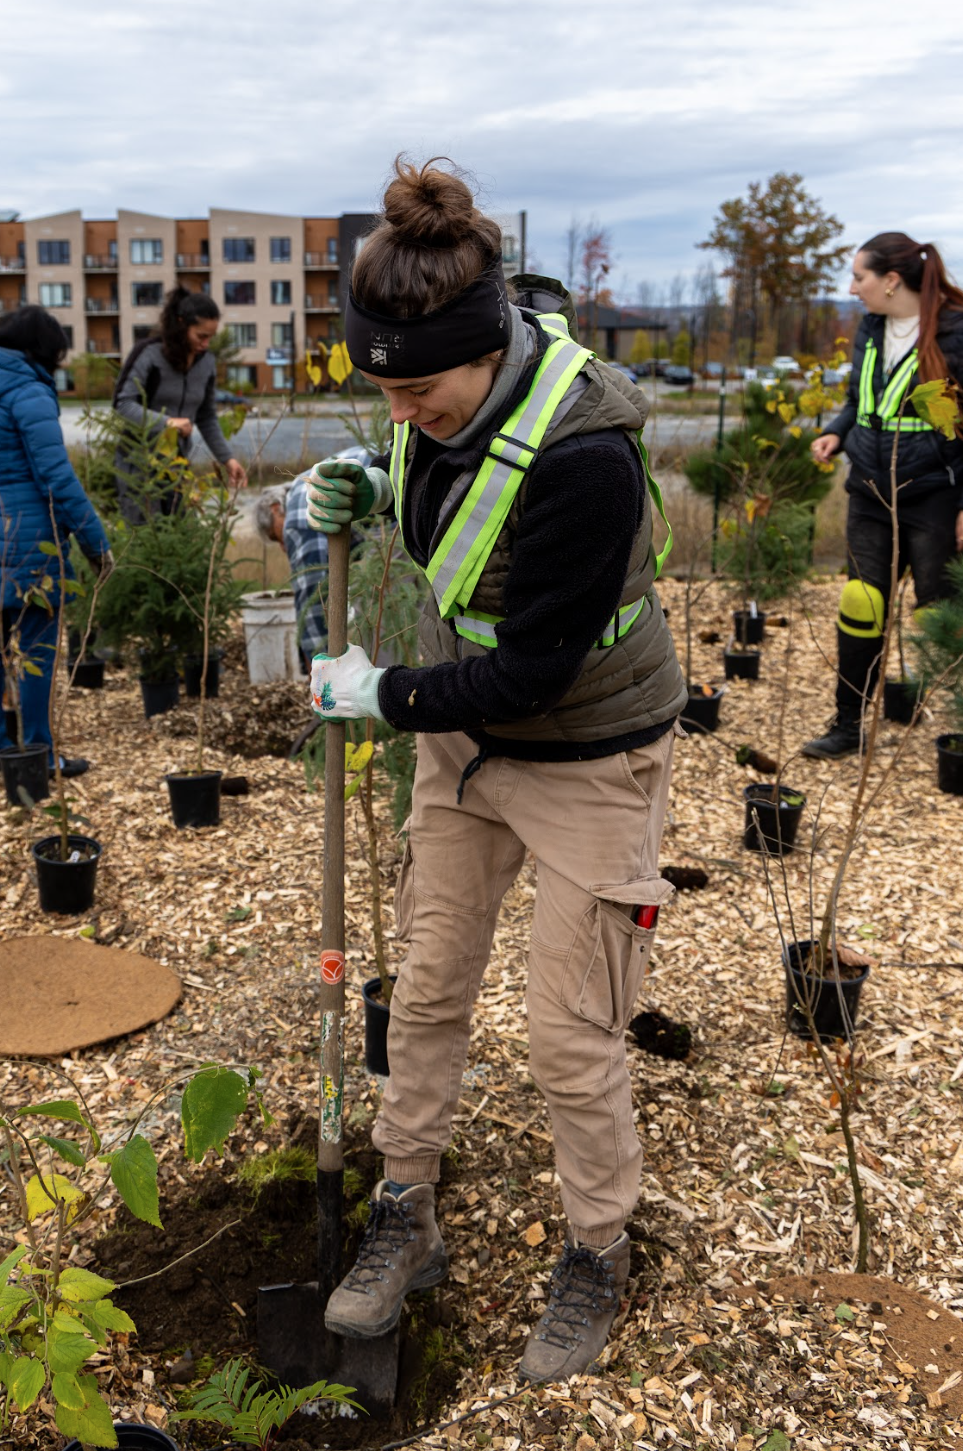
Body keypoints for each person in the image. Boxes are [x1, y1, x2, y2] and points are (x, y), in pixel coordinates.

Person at [305, 158, 686, 1384]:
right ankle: (403, 1208)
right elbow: (446, 502)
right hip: (465, 753)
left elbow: (528, 673)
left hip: (586, 752)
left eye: (420, 392)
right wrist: (371, 487)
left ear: (491, 349)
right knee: (421, 992)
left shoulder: (586, 456)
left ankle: (595, 1250)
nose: (405, 409)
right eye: (386, 394)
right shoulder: (443, 398)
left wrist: (381, 696)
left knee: (567, 1032)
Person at [803, 233, 963, 758]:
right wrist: (839, 430)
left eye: (859, 277)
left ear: (891, 280)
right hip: (869, 492)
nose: (851, 288)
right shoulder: (871, 326)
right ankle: (847, 726)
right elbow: (857, 397)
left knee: (941, 617)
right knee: (860, 604)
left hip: (937, 499)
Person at [0, 305, 111, 775]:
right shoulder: (27, 390)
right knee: (36, 647)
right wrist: (96, 543)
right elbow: (56, 478)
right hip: (29, 542)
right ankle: (39, 753)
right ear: (41, 351)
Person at [112, 286, 249, 519]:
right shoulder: (148, 354)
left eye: (210, 337)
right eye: (201, 336)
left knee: (181, 531)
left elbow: (206, 417)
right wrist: (167, 423)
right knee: (146, 536)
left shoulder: (206, 364)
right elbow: (122, 404)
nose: (206, 343)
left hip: (178, 469)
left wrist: (227, 459)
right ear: (181, 324)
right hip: (138, 468)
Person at [253, 446, 376, 672]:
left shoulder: (298, 520)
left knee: (379, 615)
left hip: (396, 509)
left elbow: (312, 593)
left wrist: (318, 664)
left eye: (275, 536)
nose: (282, 546)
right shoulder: (305, 486)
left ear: (274, 509)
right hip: (399, 474)